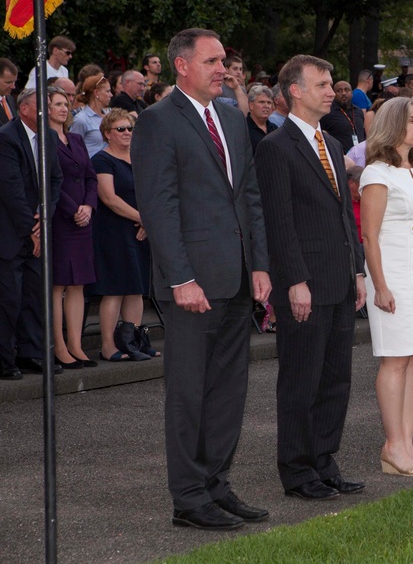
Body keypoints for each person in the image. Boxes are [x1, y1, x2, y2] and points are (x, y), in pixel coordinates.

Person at [132, 28, 272, 531]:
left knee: (228, 391)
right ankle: (189, 499)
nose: (223, 69)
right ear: (182, 66)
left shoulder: (232, 119)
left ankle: (216, 485)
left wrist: (259, 265)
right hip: (191, 284)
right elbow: (159, 206)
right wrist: (181, 278)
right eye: (212, 61)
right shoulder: (156, 122)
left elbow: (249, 197)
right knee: (189, 393)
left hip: (235, 278)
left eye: (225, 61)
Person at [254, 54, 367, 500]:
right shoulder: (276, 147)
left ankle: (325, 461)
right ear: (295, 91)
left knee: (336, 379)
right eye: (321, 84)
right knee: (302, 379)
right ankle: (298, 470)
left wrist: (357, 271)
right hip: (304, 283)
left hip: (339, 278)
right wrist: (294, 280)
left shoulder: (333, 145)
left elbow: (343, 216)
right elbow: (278, 222)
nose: (329, 90)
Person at [359, 97, 413, 474]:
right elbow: (369, 235)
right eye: (411, 120)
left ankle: (406, 445)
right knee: (395, 358)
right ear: (393, 124)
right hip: (394, 270)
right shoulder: (377, 173)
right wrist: (380, 286)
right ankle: (393, 445)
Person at [0, 89, 64, 380]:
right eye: (43, 107)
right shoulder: (7, 137)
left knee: (35, 296)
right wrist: (32, 229)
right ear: (24, 108)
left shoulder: (50, 136)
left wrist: (45, 216)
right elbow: (11, 189)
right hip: (11, 233)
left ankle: (32, 353)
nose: (47, 112)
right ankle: (4, 359)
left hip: (38, 227)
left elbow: (55, 178)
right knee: (9, 298)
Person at [90, 109, 154, 362]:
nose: (127, 133)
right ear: (107, 133)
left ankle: (133, 341)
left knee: (136, 289)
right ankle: (107, 346)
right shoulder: (101, 160)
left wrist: (147, 222)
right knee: (115, 289)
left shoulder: (139, 157)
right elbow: (109, 198)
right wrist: (144, 219)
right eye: (121, 129)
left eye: (130, 129)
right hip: (113, 231)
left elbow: (151, 191)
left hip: (140, 230)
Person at [48, 86, 99, 368]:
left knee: (78, 284)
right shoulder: (44, 142)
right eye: (57, 104)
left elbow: (91, 178)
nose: (64, 108)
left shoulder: (77, 139)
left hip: (84, 220)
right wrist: (73, 209)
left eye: (66, 103)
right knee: (59, 285)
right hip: (60, 218)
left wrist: (88, 206)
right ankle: (59, 347)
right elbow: (49, 181)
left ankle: (76, 345)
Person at [70, 74, 112, 157]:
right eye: (107, 91)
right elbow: (74, 148)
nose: (111, 95)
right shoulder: (81, 119)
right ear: (96, 93)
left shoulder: (109, 116)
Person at [245, 85, 277, 153]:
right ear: (251, 105)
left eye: (269, 103)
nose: (266, 106)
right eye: (261, 102)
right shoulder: (243, 129)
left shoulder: (275, 129)